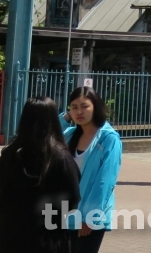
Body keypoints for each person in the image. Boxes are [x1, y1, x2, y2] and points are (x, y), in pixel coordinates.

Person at [0, 97, 81, 253]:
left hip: (10, 234)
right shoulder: (61, 158)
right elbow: (72, 199)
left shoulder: (10, 154)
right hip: (47, 236)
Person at [63, 87, 122, 253]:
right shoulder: (70, 134)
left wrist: (91, 217)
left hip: (90, 217)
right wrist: (66, 117)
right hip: (67, 214)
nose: (79, 111)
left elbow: (105, 180)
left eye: (84, 106)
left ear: (96, 107)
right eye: (74, 107)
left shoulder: (109, 139)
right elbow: (47, 134)